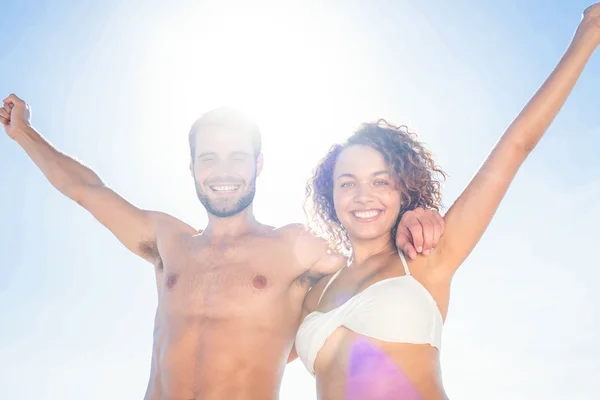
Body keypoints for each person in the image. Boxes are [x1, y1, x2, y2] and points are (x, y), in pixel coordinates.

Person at [0, 99, 444, 399]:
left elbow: (371, 265)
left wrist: (410, 214)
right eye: (209, 157)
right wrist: (23, 134)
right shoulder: (169, 241)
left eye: (237, 156)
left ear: (259, 164)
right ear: (192, 167)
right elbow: (86, 189)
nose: (223, 171)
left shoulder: (296, 247)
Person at [295, 4, 600, 399]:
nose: (363, 196)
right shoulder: (314, 289)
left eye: (380, 181)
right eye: (347, 183)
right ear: (330, 196)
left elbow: (515, 148)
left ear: (403, 190)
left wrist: (588, 33)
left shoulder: (427, 257)